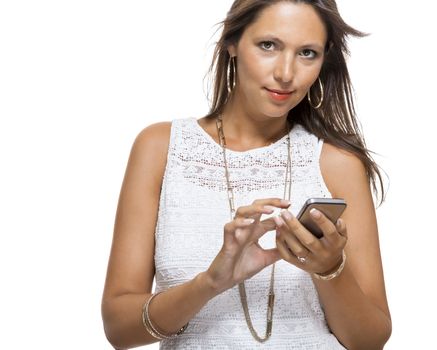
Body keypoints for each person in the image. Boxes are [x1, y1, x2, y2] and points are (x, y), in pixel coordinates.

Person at [102, 0, 392, 348]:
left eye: (307, 53)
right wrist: (210, 283)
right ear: (232, 42)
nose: (286, 72)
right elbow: (119, 329)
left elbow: (371, 340)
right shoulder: (161, 147)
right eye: (268, 45)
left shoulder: (336, 162)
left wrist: (329, 269)